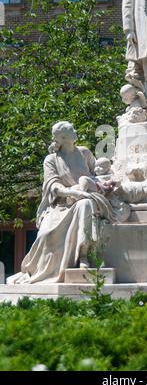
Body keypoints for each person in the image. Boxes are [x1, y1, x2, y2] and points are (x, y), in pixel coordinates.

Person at [7, 121, 129, 284]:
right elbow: (53, 186)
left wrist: (102, 184)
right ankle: (44, 268)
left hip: (88, 198)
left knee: (85, 204)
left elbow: (97, 174)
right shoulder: (51, 159)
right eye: (71, 129)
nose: (75, 130)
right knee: (45, 234)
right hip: (62, 203)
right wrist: (73, 192)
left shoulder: (85, 153)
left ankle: (84, 255)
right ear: (63, 137)